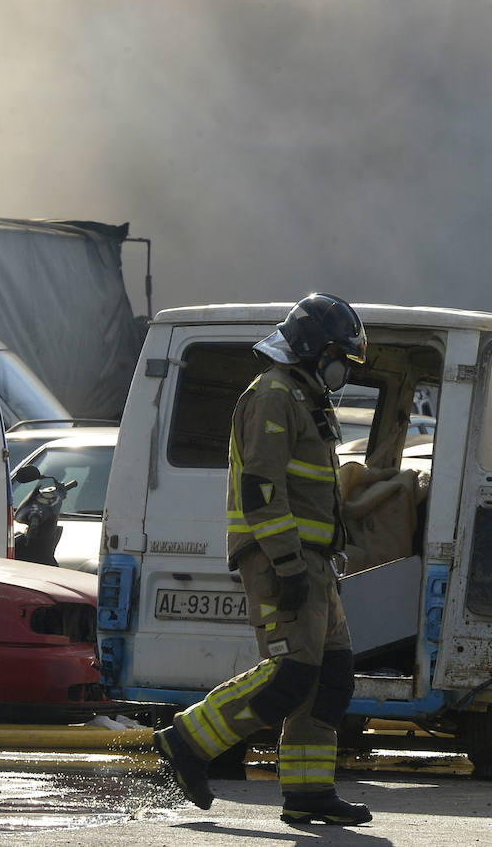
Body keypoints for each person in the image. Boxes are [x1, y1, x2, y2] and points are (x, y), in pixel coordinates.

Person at [154, 293, 373, 827]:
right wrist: (288, 563)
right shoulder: (273, 395)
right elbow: (261, 490)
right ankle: (187, 740)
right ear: (314, 349)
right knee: (290, 675)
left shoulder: (304, 397)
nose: (343, 369)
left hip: (315, 563)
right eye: (339, 356)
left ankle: (308, 791)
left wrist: (322, 562)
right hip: (283, 560)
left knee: (331, 676)